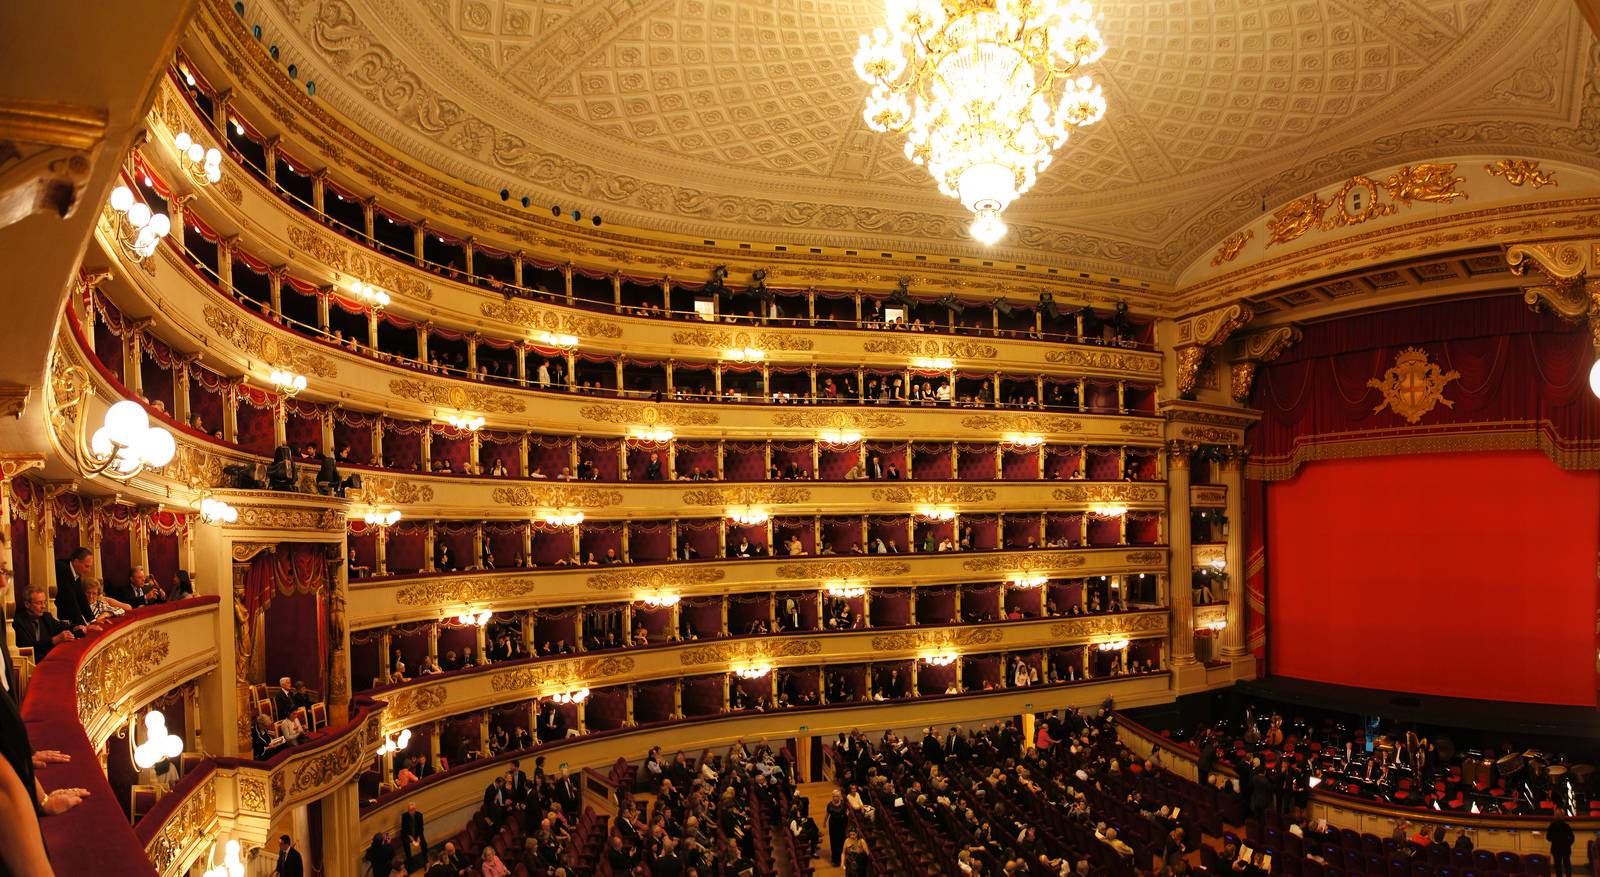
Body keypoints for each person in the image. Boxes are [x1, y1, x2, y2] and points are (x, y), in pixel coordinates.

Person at [13, 586, 77, 661]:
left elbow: (61, 626)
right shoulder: (18, 622)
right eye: (39, 603)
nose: (43, 606)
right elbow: (29, 648)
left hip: (49, 660)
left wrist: (76, 627)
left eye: (44, 602)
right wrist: (54, 640)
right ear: (27, 604)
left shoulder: (46, 617)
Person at [55, 546, 96, 629]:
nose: (89, 570)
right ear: (76, 562)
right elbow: (70, 600)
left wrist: (92, 620)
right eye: (87, 566)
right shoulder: (62, 569)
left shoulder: (75, 571)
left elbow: (81, 596)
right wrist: (84, 626)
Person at [401, 802, 428, 870]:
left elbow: (421, 828)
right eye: (409, 810)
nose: (410, 812)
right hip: (408, 834)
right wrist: (411, 838)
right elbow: (404, 829)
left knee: (424, 843)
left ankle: (425, 860)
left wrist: (419, 837)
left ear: (415, 809)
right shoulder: (404, 816)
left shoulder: (419, 815)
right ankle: (409, 860)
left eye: (412, 810)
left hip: (417, 834)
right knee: (406, 844)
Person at [826, 789, 850, 866]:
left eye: (836, 796)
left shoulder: (843, 804)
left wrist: (847, 821)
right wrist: (824, 822)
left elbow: (847, 812)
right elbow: (827, 814)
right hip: (833, 824)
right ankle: (835, 860)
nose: (835, 798)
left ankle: (842, 858)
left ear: (839, 797)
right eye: (833, 796)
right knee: (834, 842)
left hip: (842, 823)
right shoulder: (829, 805)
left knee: (842, 841)